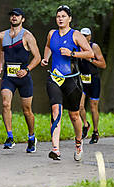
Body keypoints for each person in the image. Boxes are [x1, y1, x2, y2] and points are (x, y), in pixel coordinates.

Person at [41, 5, 94, 161]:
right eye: (58, 16)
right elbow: (47, 46)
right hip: (55, 78)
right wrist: (46, 58)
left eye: (63, 16)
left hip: (72, 79)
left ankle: (78, 142)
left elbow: (90, 53)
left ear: (69, 18)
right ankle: (55, 149)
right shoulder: (52, 34)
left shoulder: (76, 35)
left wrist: (72, 53)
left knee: (74, 115)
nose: (60, 19)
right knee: (55, 110)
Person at [0, 8, 41, 152]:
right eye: (12, 15)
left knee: (27, 110)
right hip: (9, 76)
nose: (14, 17)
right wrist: (0, 66)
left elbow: (37, 57)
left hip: (23, 77)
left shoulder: (27, 36)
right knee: (5, 104)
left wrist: (27, 69)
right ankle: (10, 137)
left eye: (17, 15)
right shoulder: (2, 35)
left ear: (23, 19)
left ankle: (31, 137)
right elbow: (2, 51)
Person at [79, 28, 106, 144]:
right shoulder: (77, 47)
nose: (84, 38)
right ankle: (85, 125)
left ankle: (95, 132)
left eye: (86, 36)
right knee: (79, 106)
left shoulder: (94, 47)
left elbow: (103, 64)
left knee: (93, 107)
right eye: (82, 36)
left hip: (93, 79)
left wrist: (90, 59)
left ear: (89, 37)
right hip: (82, 79)